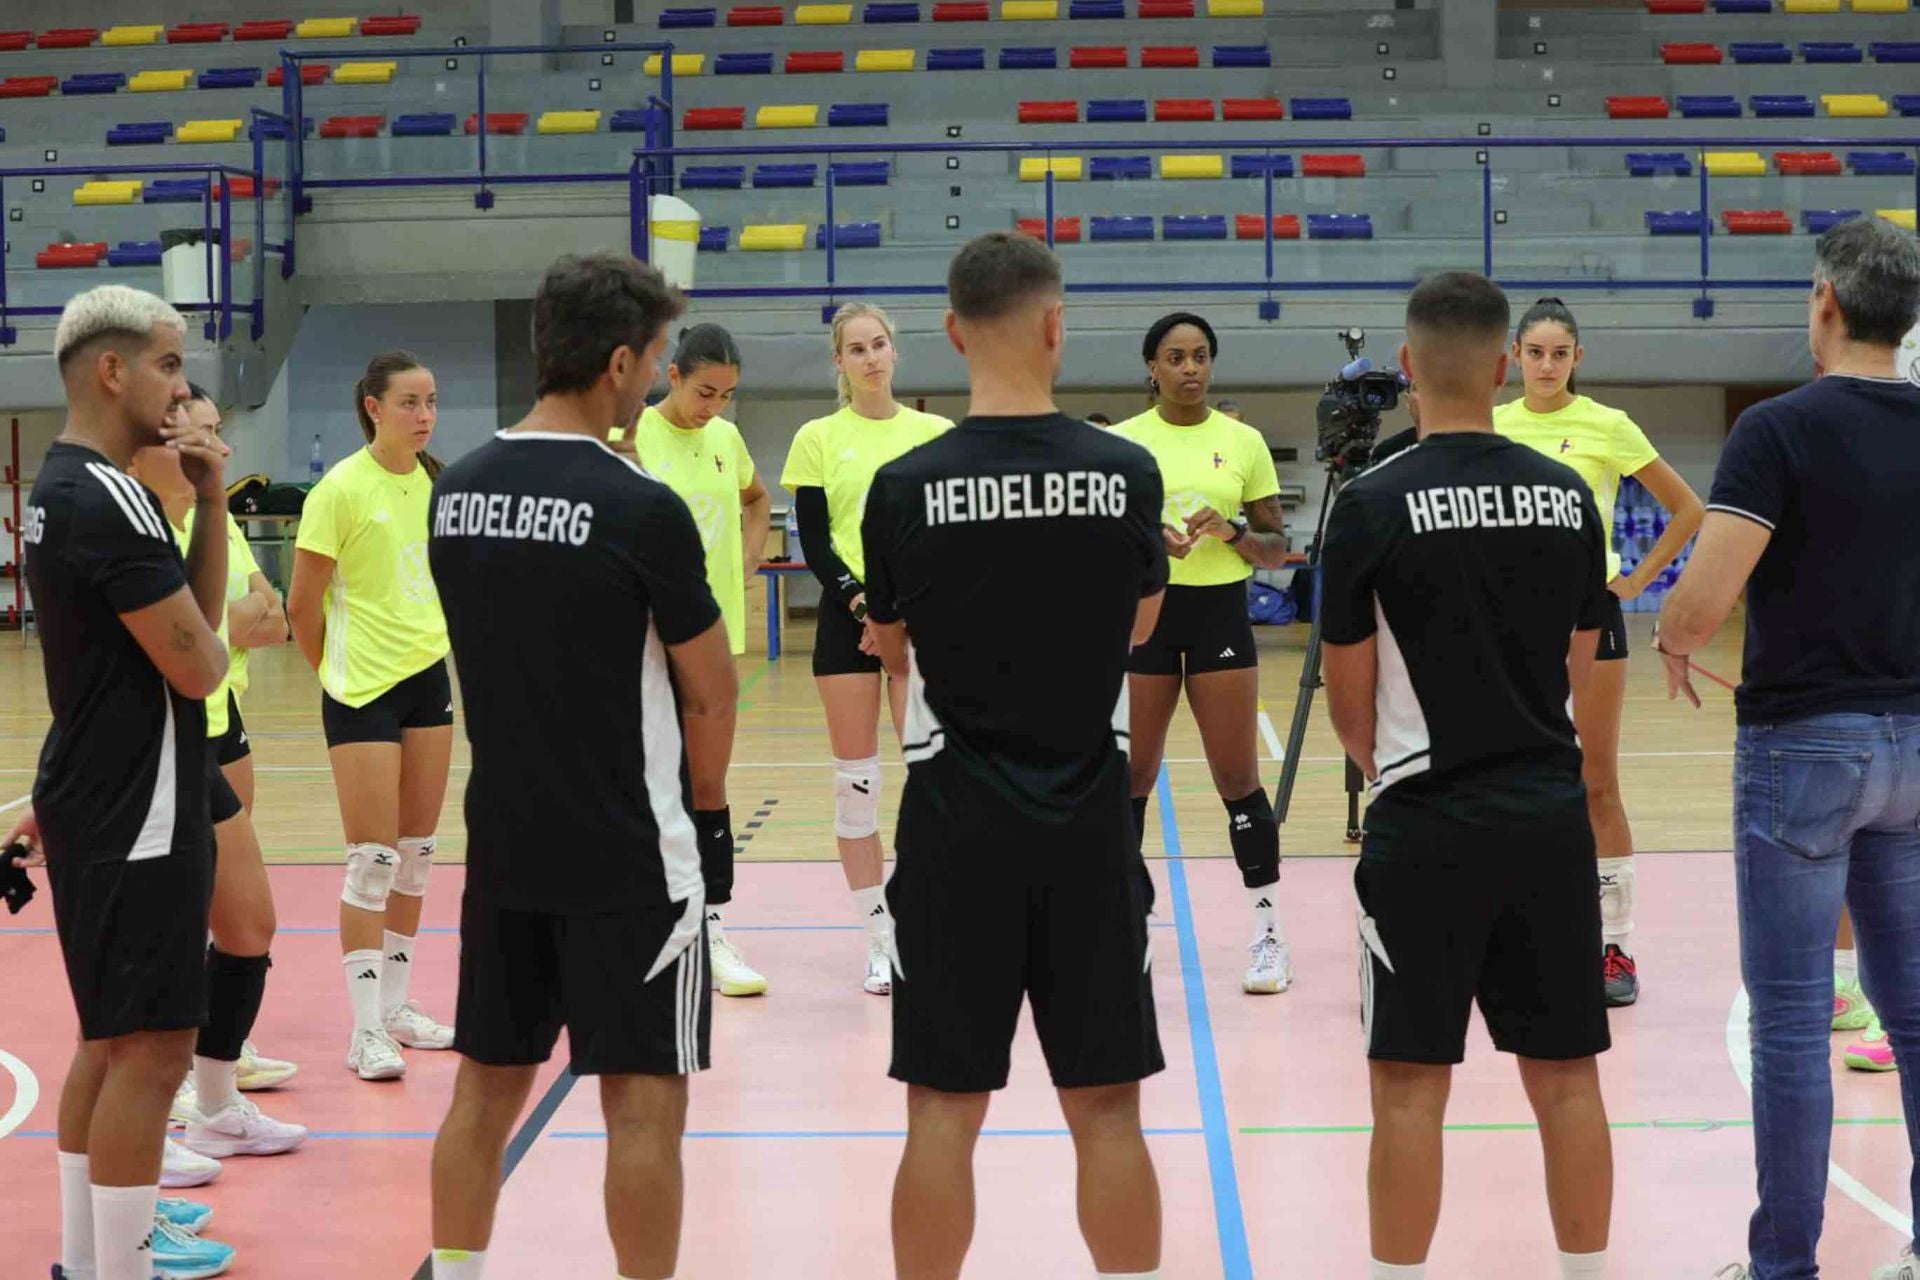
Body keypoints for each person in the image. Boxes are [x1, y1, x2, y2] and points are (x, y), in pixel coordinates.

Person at [864, 230, 1168, 1280]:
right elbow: (1140, 624)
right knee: (1108, 1110)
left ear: (951, 333)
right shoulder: (1126, 473)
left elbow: (892, 644)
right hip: (1086, 819)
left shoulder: (902, 486)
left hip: (954, 828)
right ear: (1055, 326)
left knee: (942, 1111)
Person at [426, 252, 736, 1280]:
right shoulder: (640, 503)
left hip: (505, 844)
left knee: (482, 1089)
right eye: (651, 360)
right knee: (644, 1102)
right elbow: (709, 687)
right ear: (615, 363)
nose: (652, 379)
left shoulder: (455, 489)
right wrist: (713, 816)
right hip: (628, 858)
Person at [1320, 272, 1614, 1280]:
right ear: (1502, 367)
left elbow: (1350, 708)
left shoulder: (1366, 505)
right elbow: (1579, 666)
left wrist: (1400, 764)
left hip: (1423, 819)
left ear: (1406, 368)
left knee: (1408, 1088)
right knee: (1568, 1079)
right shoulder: (1567, 493)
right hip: (1546, 811)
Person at [1654, 216, 1920, 1280]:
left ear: (1825, 303)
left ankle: (1785, 1263)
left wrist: (1674, 638)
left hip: (1805, 745)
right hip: (1915, 742)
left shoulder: (1781, 429)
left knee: (1794, 1021)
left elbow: (1705, 596)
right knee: (1913, 1011)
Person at [8, 285, 241, 1280]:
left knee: (108, 1043)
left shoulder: (67, 488)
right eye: (169, 365)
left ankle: (85, 1259)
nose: (181, 389)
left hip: (99, 788)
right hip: (139, 801)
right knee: (152, 1048)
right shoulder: (107, 496)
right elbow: (199, 663)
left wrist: (212, 498)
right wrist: (239, 643)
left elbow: (182, 614)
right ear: (113, 370)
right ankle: (121, 1269)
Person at [1494, 299, 1704, 1008]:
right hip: (1507, 622)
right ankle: (1520, 935)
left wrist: (1634, 581)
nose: (1547, 365)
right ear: (1514, 355)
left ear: (1578, 358)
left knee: (1596, 782)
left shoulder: (1607, 426)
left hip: (1589, 616)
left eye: (1560, 354)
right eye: (1535, 353)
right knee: (1510, 776)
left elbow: (1688, 509)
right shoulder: (1491, 425)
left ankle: (1613, 946)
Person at [127, 394, 308, 1172]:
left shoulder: (214, 518)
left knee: (246, 924)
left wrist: (234, 621)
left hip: (207, 733)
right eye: (194, 437)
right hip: (147, 753)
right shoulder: (131, 529)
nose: (216, 451)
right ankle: (141, 1141)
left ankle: (216, 1104)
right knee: (162, 937)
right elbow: (209, 635)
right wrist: (232, 622)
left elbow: (271, 616)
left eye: (216, 435)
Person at [1112, 314, 1295, 994]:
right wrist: (1146, 543)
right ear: (1151, 368)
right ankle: (1122, 929)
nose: (1189, 368)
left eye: (1199, 356)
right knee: (1129, 779)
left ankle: (1269, 933)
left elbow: (1278, 549)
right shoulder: (1125, 446)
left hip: (1220, 614)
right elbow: (1099, 545)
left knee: (1237, 779)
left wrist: (1234, 530)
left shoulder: (1243, 442)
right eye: (1174, 357)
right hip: (1144, 618)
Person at [288, 351, 457, 1081]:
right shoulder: (340, 490)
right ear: (373, 408)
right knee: (373, 860)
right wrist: (333, 673)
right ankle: (363, 1032)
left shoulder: (438, 483)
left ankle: (396, 1007)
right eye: (409, 402)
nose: (423, 415)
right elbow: (302, 604)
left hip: (428, 680)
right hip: (360, 689)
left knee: (416, 853)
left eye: (430, 401)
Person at [779, 303, 952, 995]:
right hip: (847, 623)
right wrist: (863, 606)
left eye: (880, 344)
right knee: (857, 790)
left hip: (921, 625)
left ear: (894, 352)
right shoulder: (817, 436)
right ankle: (878, 937)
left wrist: (901, 612)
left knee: (933, 784)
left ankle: (929, 924)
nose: (872, 358)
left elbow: (948, 533)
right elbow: (816, 542)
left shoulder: (936, 434)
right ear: (840, 363)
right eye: (857, 349)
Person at [616, 322, 772, 998]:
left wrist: (747, 555)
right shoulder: (632, 437)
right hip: (645, 639)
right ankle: (641, 927)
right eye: (705, 391)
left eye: (727, 396)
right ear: (672, 376)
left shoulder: (726, 441)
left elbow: (757, 498)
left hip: (714, 639)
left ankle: (710, 927)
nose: (714, 407)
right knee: (645, 786)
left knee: (708, 788)